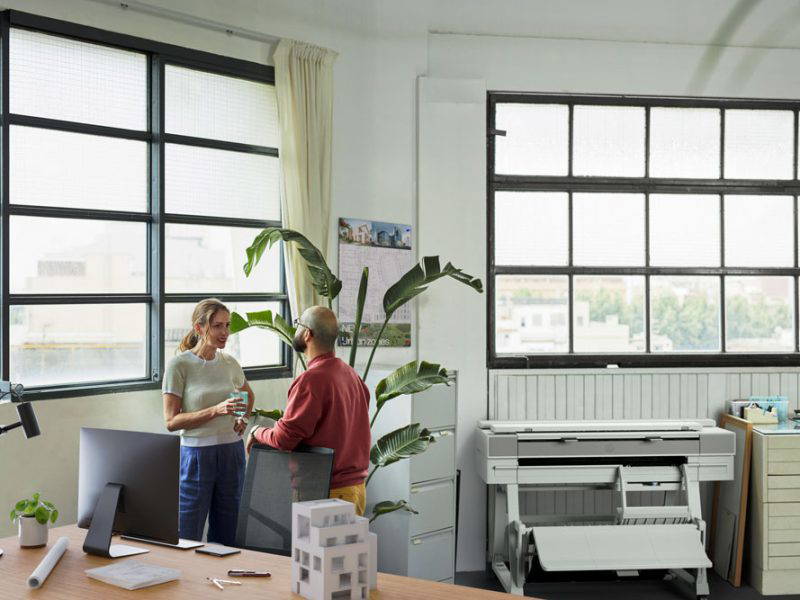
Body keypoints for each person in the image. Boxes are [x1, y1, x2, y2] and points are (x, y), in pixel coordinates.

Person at [246, 306, 371, 515]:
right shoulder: (349, 374)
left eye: (298, 324)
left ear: (307, 333)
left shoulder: (311, 380)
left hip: (326, 491)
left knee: (315, 549)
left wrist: (256, 431)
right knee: (344, 550)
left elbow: (284, 438)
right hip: (355, 490)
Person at [162, 298, 255, 545]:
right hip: (196, 456)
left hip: (232, 453)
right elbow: (171, 421)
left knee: (228, 533)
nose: (225, 332)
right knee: (187, 532)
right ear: (199, 328)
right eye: (217, 326)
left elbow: (249, 395)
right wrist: (215, 410)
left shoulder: (230, 363)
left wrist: (243, 418)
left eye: (227, 325)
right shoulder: (179, 365)